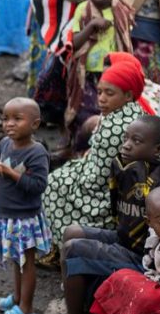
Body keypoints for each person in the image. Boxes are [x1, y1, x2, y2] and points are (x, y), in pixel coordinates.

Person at [32, 116, 160, 314]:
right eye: (126, 138)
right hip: (125, 240)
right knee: (72, 232)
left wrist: (139, 175)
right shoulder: (120, 166)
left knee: (74, 248)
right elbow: (116, 210)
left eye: (136, 141)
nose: (127, 145)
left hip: (143, 256)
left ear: (158, 150)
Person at [40, 60, 147, 265]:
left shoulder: (114, 127)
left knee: (53, 185)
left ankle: (61, 252)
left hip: (101, 196)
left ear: (128, 95)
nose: (101, 99)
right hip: (107, 182)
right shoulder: (132, 113)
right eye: (99, 92)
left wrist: (73, 174)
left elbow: (95, 181)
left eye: (109, 93)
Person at [0, 98, 51, 314]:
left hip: (24, 218)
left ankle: (26, 307)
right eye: (5, 118)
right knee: (17, 260)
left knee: (26, 263)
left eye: (17, 119)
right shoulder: (5, 143)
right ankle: (17, 298)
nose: (9, 124)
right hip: (6, 215)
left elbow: (38, 186)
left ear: (35, 124)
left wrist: (10, 172)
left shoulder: (37, 152)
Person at [63, 0, 135, 140]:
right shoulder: (83, 9)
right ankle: (79, 147)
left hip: (112, 73)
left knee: (110, 111)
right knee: (84, 111)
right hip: (88, 72)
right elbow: (74, 43)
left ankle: (106, 146)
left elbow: (125, 39)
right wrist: (91, 26)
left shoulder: (120, 9)